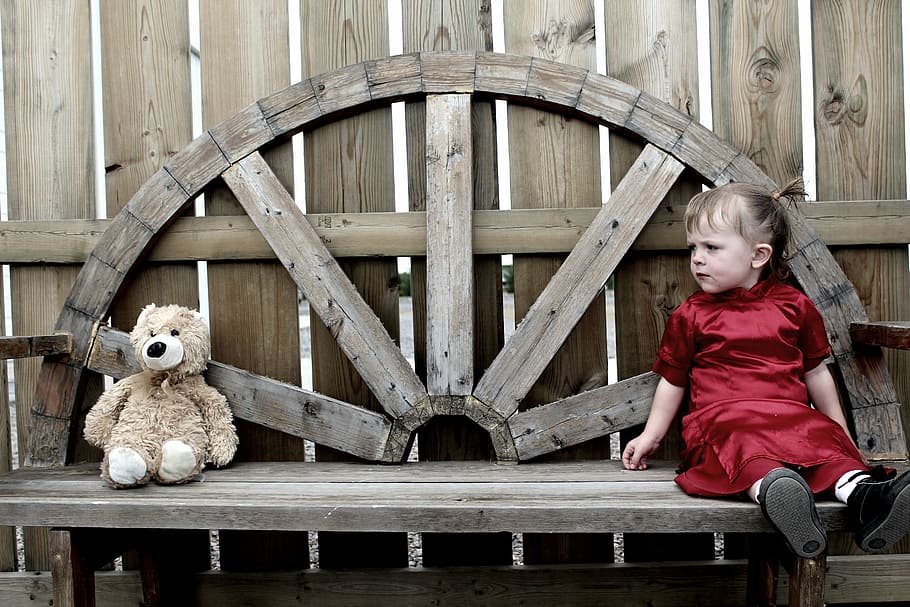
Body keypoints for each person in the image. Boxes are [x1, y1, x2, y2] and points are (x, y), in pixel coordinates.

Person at [621, 177, 910, 558]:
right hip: (722, 423)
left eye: (711, 247)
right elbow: (672, 381)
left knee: (822, 442)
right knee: (747, 446)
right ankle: (776, 491)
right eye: (693, 247)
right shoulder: (692, 314)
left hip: (789, 417)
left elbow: (815, 373)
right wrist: (652, 436)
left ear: (758, 256)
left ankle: (867, 498)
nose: (697, 258)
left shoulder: (795, 307)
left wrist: (838, 430)